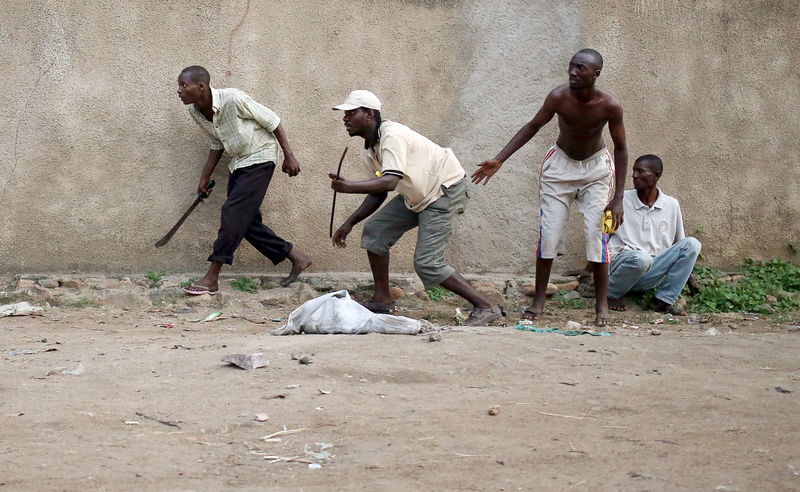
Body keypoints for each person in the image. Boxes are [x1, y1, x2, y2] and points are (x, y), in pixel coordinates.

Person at [471, 49, 627, 326]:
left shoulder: (609, 105)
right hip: (559, 168)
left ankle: (601, 304)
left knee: (597, 235)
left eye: (581, 68)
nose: (573, 73)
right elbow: (532, 126)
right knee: (549, 235)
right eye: (571, 67)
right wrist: (499, 159)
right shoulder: (559, 97)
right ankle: (539, 299)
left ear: (596, 74)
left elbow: (621, 149)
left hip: (596, 170)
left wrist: (617, 199)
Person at [329, 90, 504, 325]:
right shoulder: (370, 150)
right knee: (376, 231)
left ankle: (486, 306)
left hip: (444, 191)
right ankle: (382, 300)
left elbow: (390, 181)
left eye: (351, 113)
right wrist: (350, 223)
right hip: (418, 195)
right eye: (345, 114)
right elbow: (379, 190)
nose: (345, 119)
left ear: (369, 114)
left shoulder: (392, 136)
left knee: (428, 262)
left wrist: (349, 186)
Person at [176, 66, 311, 295]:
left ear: (201, 86)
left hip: (260, 156)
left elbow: (273, 121)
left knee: (232, 213)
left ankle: (212, 277)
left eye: (183, 85)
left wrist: (289, 155)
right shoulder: (196, 111)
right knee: (244, 222)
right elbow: (217, 142)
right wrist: (205, 176)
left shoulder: (233, 98)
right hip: (238, 162)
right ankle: (296, 257)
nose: (179, 91)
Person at [606, 154, 701, 314]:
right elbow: (602, 236)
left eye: (640, 171)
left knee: (692, 244)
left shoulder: (671, 205)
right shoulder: (620, 200)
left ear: (656, 175)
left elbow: (680, 246)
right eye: (634, 171)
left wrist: (689, 279)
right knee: (641, 258)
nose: (634, 175)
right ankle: (609, 294)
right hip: (622, 266)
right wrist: (590, 269)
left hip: (652, 270)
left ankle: (662, 300)